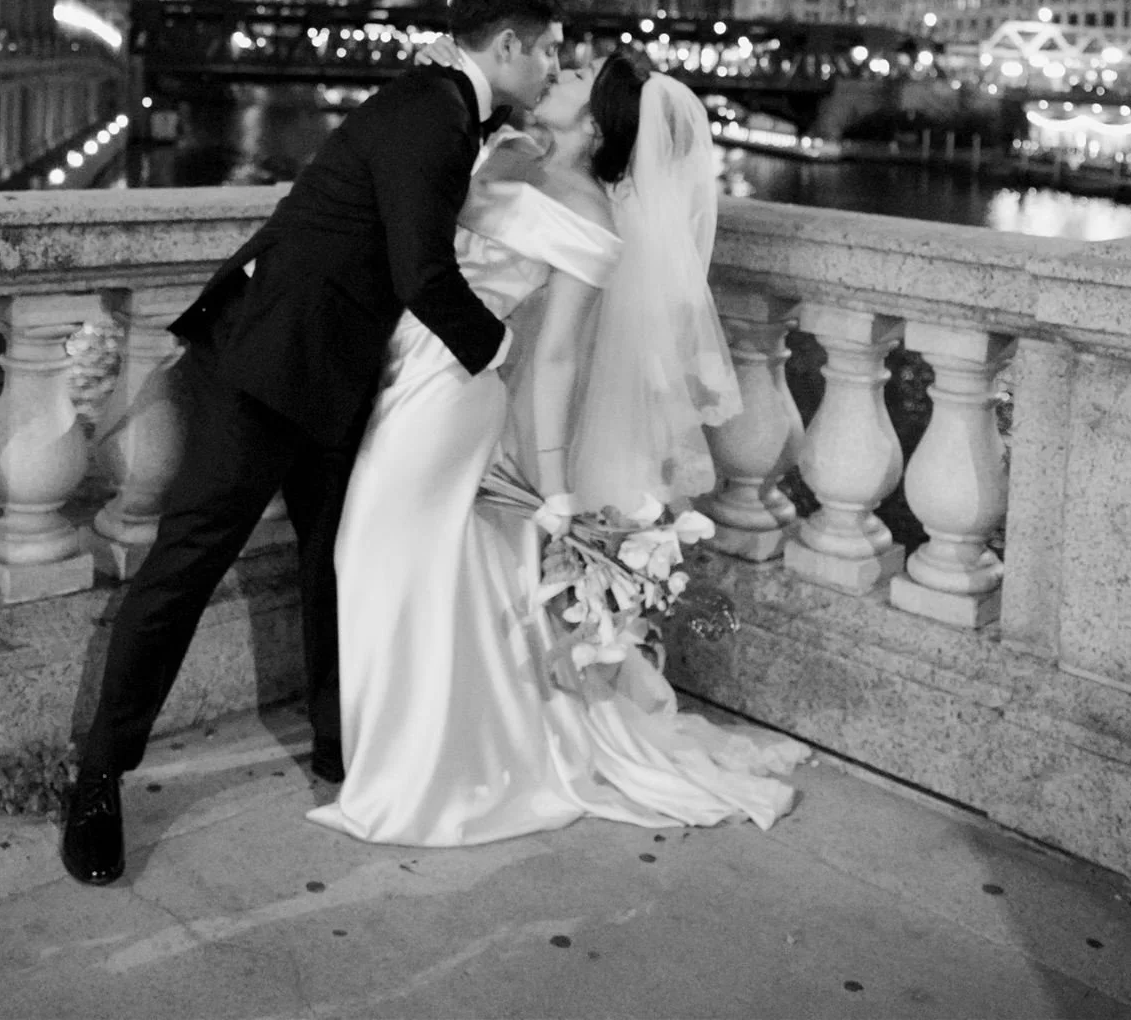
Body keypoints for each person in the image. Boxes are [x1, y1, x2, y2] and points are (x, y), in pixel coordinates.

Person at [60, 0, 564, 885]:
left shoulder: (443, 107)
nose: (558, 71)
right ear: (508, 46)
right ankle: (95, 781)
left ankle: (344, 750)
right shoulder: (432, 116)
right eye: (551, 52)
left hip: (332, 376)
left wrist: (505, 139)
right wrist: (500, 354)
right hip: (261, 368)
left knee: (337, 559)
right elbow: (423, 273)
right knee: (185, 567)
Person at [309, 50, 809, 847]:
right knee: (413, 565)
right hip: (403, 360)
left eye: (574, 76)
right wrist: (485, 167)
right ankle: (423, 746)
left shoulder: (592, 214)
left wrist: (552, 496)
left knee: (378, 552)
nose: (556, 72)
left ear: (595, 118)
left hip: (452, 388)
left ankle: (420, 772)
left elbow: (555, 358)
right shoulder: (516, 157)